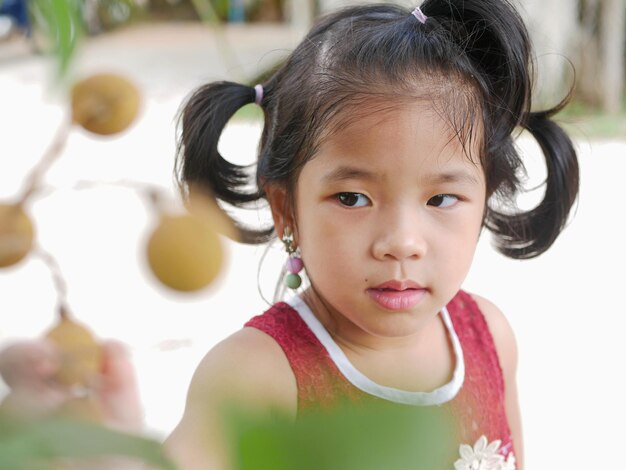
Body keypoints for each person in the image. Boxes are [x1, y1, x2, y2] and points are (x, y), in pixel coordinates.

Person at [0, 1, 578, 469]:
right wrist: (112, 438)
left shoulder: (488, 337)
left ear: (483, 201)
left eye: (441, 198)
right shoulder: (261, 374)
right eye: (353, 197)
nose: (402, 241)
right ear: (286, 210)